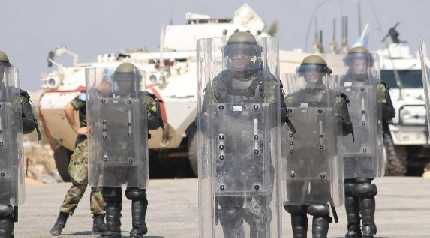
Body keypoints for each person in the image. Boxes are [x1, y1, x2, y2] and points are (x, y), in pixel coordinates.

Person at [198, 31, 290, 238]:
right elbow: (204, 122)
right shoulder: (219, 83)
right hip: (227, 159)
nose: (239, 58)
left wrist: (256, 110)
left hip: (257, 159)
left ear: (252, 55)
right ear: (228, 55)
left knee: (258, 215)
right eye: (235, 53)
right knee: (229, 214)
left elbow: (278, 115)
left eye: (244, 53)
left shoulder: (265, 82)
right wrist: (207, 120)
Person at [87, 63, 163, 238]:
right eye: (121, 80)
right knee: (111, 193)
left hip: (136, 153)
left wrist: (141, 113)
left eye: (128, 80)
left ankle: (138, 228)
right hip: (111, 153)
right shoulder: (107, 100)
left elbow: (156, 122)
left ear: (135, 81)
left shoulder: (145, 99)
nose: (124, 84)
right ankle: (113, 228)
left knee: (137, 193)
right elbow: (94, 118)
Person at [283, 54, 353, 238]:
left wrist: (337, 118)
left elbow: (346, 129)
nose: (312, 75)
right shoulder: (291, 100)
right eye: (308, 72)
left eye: (316, 71)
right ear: (303, 74)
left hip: (322, 158)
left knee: (320, 205)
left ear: (323, 74)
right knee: (296, 204)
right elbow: (280, 129)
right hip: (296, 157)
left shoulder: (335, 98)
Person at [340, 46, 394, 238]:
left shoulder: (377, 86)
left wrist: (378, 103)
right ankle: (352, 226)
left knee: (364, 187)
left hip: (367, 142)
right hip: (346, 143)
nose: (359, 65)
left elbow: (390, 114)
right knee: (348, 188)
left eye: (363, 62)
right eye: (355, 62)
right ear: (350, 64)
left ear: (368, 64)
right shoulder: (341, 85)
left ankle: (368, 225)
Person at [49, 86, 109, 236]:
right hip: (87, 145)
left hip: (104, 143)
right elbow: (69, 108)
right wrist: (77, 128)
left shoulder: (112, 97)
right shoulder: (88, 96)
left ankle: (99, 221)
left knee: (100, 184)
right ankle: (61, 219)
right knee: (79, 184)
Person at [0, 51, 39, 237]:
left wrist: (13, 118)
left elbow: (30, 124)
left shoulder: (17, 96)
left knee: (4, 208)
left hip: (6, 159)